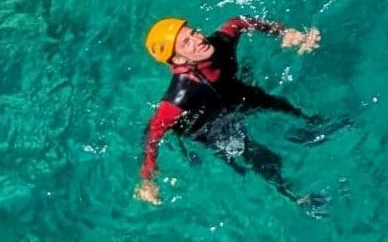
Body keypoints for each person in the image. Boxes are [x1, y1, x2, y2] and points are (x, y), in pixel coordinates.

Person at [134, 14, 324, 206]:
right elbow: (152, 134)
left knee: (280, 104)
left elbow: (239, 21)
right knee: (259, 158)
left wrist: (283, 32)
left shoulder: (221, 42)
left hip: (234, 94)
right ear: (178, 58)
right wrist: (147, 180)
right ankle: (296, 197)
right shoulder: (179, 98)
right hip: (209, 124)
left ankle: (319, 125)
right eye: (187, 42)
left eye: (193, 32)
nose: (198, 39)